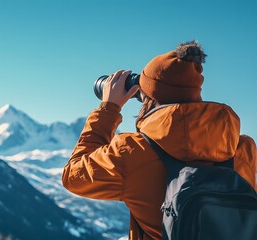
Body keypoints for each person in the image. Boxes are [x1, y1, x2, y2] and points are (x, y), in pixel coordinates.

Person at [62, 41, 257, 240]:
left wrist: (109, 107)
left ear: (146, 97)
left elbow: (73, 177)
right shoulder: (244, 149)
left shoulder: (130, 153)